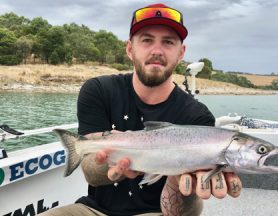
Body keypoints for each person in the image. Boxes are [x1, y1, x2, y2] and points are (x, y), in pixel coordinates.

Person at [40, 3, 242, 216]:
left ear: (181, 53)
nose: (157, 51)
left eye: (168, 42)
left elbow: (174, 212)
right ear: (130, 48)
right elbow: (90, 172)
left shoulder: (197, 117)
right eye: (146, 40)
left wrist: (177, 179)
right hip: (93, 210)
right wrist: (113, 159)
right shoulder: (98, 90)